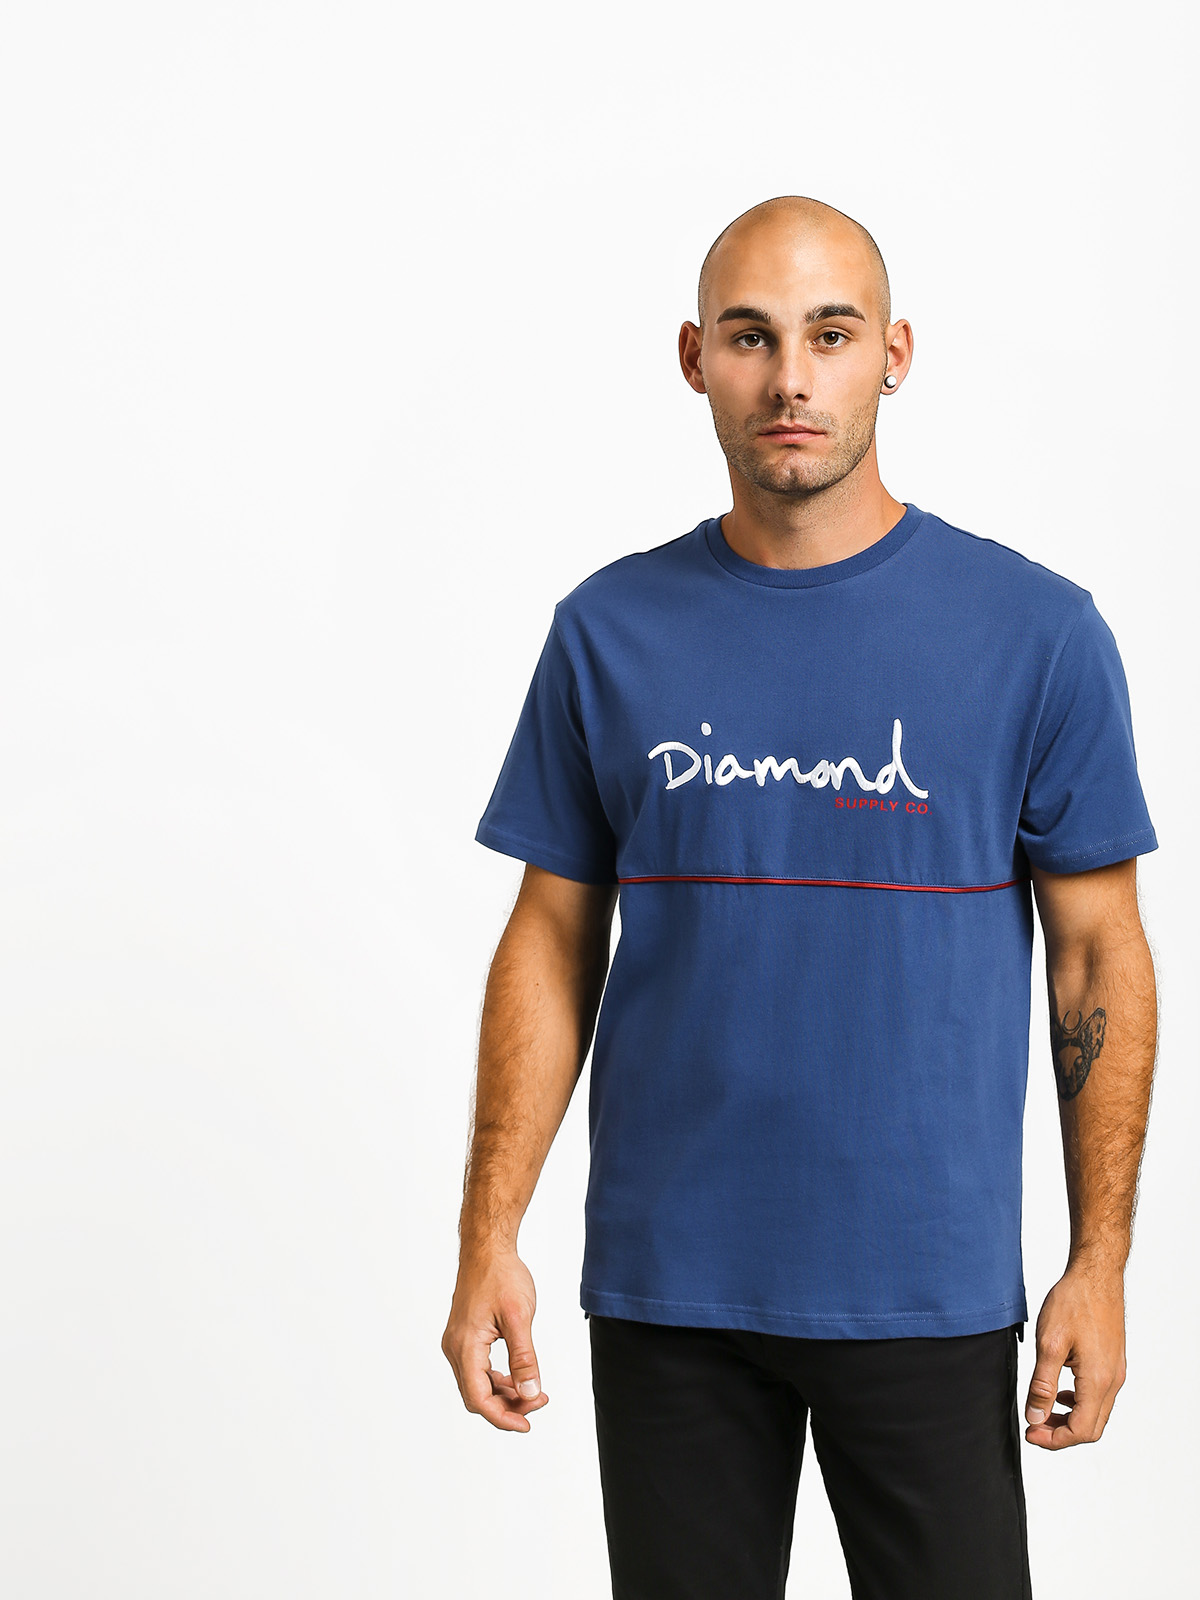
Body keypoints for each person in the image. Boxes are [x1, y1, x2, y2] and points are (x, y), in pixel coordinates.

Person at [441, 195, 1160, 1599]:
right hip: (670, 1290)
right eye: (750, 337)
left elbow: (1097, 957)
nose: (790, 379)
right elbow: (551, 938)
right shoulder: (607, 631)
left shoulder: (1036, 633)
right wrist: (487, 1237)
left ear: (894, 353)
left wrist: (1100, 1261)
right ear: (693, 359)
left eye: (830, 336)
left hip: (928, 1290)